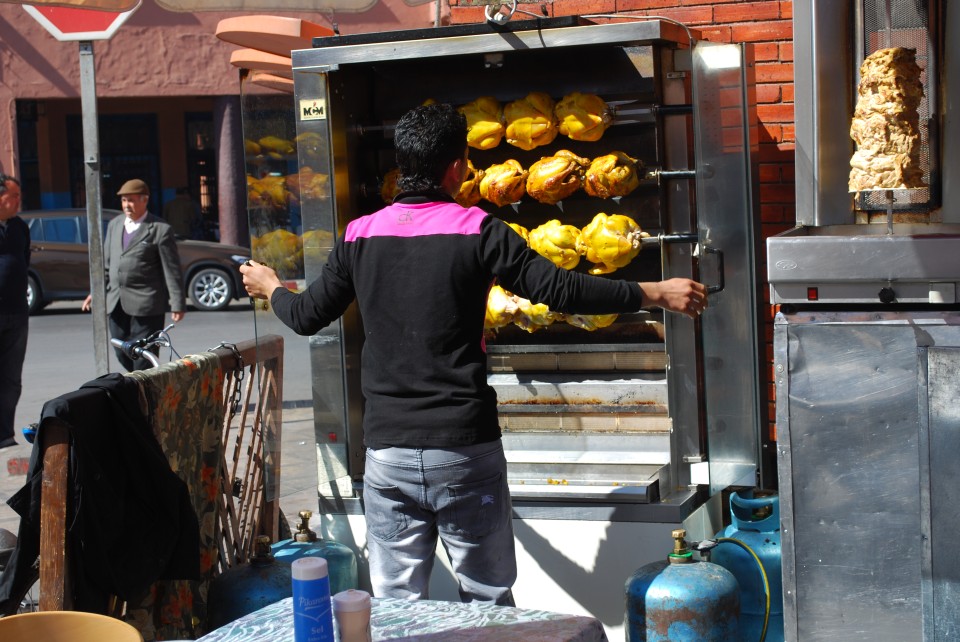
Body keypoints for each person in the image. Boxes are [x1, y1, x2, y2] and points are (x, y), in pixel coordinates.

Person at [240, 103, 708, 606]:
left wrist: (271, 286)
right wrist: (653, 292)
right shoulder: (479, 229)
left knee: (397, 606)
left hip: (388, 454)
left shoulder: (360, 235)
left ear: (402, 165)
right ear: (458, 166)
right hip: (463, 450)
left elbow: (306, 315)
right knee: (487, 600)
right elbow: (562, 290)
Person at [83, 179, 186, 371]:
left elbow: (171, 270)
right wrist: (96, 292)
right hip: (116, 301)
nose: (126, 205)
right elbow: (107, 265)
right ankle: (139, 382)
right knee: (121, 350)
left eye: (131, 200)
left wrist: (177, 303)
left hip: (147, 304)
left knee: (143, 357)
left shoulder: (159, 229)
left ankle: (143, 386)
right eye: (124, 200)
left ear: (144, 200)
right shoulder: (115, 225)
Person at [0, 174, 27, 449]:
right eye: (14, 195)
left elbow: (23, 261)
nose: (19, 200)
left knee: (11, 378)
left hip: (17, 313)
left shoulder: (20, 227)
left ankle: (5, 434)